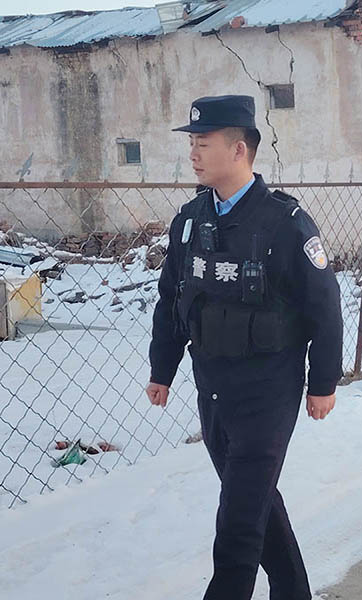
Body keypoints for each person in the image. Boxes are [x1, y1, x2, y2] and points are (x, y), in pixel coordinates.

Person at [145, 95, 343, 600]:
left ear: (239, 149)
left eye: (203, 142)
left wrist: (323, 382)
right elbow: (173, 298)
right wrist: (162, 368)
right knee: (253, 501)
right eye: (191, 142)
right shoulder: (191, 221)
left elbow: (324, 306)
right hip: (213, 387)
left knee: (237, 520)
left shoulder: (285, 223)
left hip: (267, 392)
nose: (193, 153)